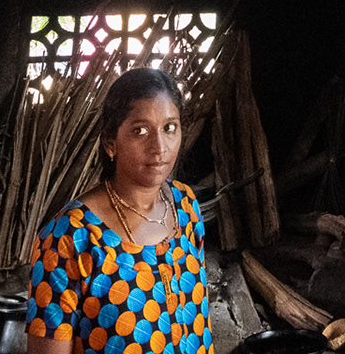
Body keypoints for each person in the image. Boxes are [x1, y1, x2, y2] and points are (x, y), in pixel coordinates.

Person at [25, 67, 214, 354]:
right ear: (110, 143)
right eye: (141, 131)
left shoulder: (185, 206)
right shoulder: (71, 237)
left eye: (169, 128)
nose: (159, 147)